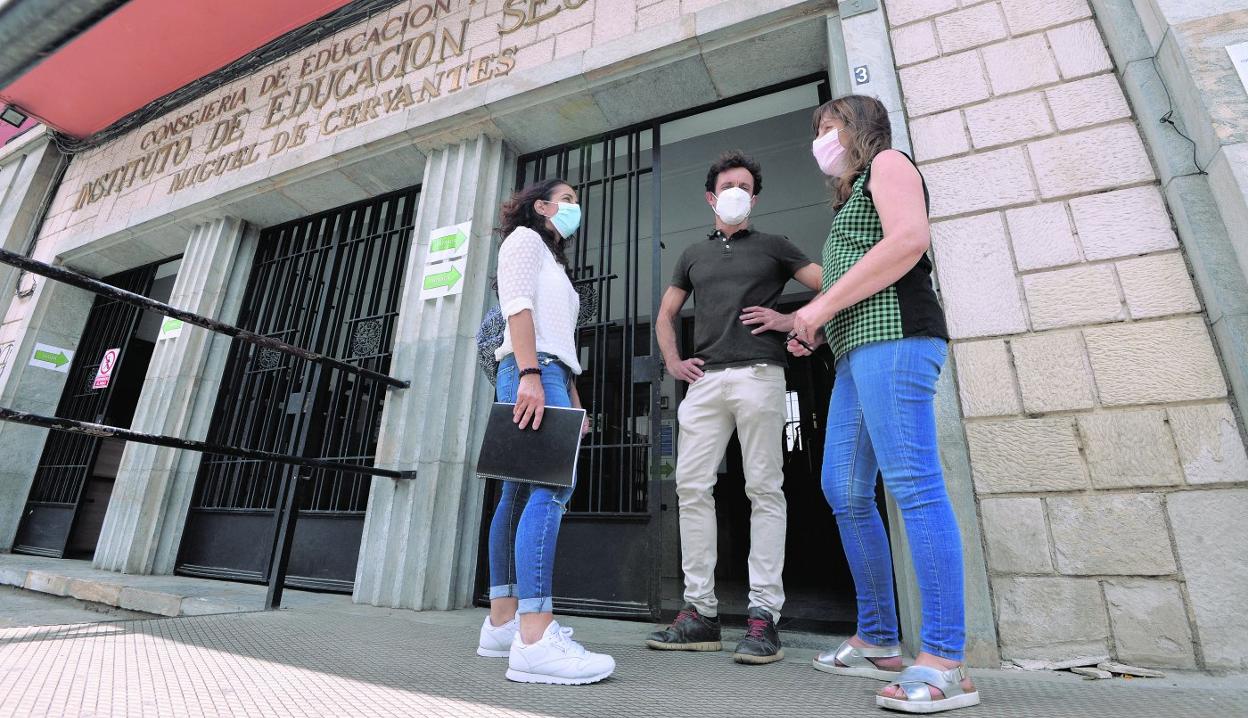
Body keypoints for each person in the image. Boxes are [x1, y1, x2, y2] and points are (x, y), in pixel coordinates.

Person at [788, 95, 978, 713]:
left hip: (896, 339)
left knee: (914, 486)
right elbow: (852, 278)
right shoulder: (846, 203)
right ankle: (877, 640)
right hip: (854, 353)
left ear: (858, 127)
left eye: (828, 126)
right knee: (843, 488)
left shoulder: (889, 164)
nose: (821, 138)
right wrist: (814, 318)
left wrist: (818, 307)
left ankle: (946, 660)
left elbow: (908, 241)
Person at [646, 151, 823, 664]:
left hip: (760, 376)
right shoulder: (692, 254)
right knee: (690, 487)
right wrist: (674, 362)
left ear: (755, 196)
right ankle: (699, 613)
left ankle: (764, 616)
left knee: (764, 489)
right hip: (705, 382)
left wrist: (792, 321)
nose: (736, 190)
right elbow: (665, 314)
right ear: (710, 195)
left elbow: (829, 286)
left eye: (745, 184)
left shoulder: (774, 246)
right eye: (728, 184)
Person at [476, 178, 615, 686]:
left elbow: (560, 336)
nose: (576, 208)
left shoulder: (555, 262)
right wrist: (532, 375)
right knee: (553, 486)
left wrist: (572, 400)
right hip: (530, 370)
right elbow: (518, 309)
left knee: (515, 495)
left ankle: (502, 622)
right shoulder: (524, 241)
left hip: (550, 371)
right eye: (568, 200)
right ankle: (534, 636)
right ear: (542, 206)